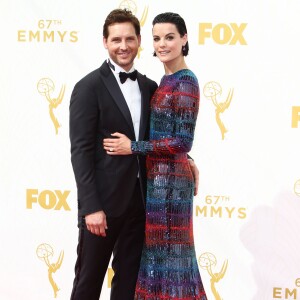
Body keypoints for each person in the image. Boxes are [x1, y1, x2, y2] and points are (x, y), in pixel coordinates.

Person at [69, 9, 199, 300]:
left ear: (140, 41)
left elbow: (165, 136)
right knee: (88, 284)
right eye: (116, 39)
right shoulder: (88, 87)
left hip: (141, 206)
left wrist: (186, 160)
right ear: (105, 42)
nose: (123, 45)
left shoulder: (149, 86)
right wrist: (91, 207)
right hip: (101, 208)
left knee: (128, 287)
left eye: (130, 38)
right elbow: (80, 152)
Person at [103, 12, 207, 299]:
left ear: (184, 39)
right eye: (157, 38)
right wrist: (187, 160)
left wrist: (133, 147)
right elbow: (167, 136)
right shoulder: (166, 79)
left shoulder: (186, 81)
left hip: (172, 188)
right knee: (159, 260)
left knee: (175, 260)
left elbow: (183, 141)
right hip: (157, 182)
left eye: (170, 37)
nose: (162, 44)